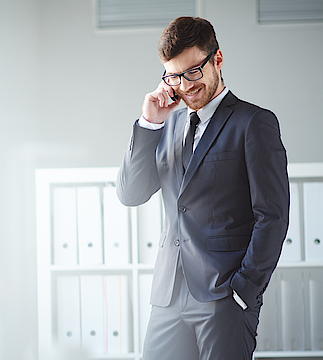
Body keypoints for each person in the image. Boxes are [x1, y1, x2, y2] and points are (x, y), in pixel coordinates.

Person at [116, 17, 289, 360]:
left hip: (224, 296)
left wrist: (244, 290)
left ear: (217, 60)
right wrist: (150, 123)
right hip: (167, 296)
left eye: (193, 71)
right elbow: (130, 194)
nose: (184, 85)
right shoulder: (167, 123)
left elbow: (271, 216)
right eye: (173, 75)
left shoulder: (253, 123)